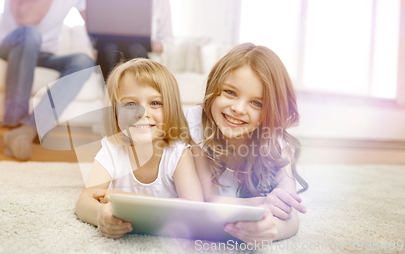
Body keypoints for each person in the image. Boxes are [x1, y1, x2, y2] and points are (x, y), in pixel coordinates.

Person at [185, 43, 309, 244]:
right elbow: (209, 200)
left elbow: (290, 212)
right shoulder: (196, 127)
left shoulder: (274, 139)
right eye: (230, 92)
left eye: (256, 103)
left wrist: (269, 229)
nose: (239, 109)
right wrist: (263, 202)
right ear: (214, 88)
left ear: (272, 111)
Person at [75, 58, 203, 239]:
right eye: (130, 104)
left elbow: (194, 208)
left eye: (155, 103)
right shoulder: (112, 148)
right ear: (114, 111)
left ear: (172, 108)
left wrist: (127, 199)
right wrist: (100, 215)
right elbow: (84, 201)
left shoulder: (179, 152)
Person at [0, 0, 96, 160]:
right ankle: (14, 125)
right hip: (13, 46)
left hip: (45, 55)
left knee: (84, 62)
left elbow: (93, 25)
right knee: (29, 33)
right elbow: (25, 19)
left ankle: (26, 130)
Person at [94, 0, 173, 79]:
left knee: (136, 50)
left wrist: (152, 44)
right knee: (109, 49)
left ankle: (135, 89)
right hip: (108, 48)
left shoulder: (161, 2)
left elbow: (168, 43)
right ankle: (110, 89)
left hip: (141, 49)